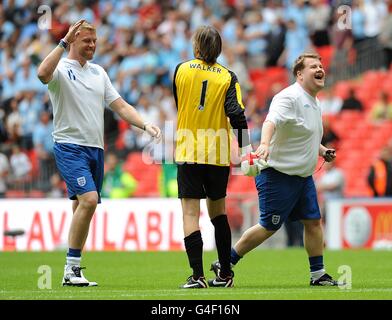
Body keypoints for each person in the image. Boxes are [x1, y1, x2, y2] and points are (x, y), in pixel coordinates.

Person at [37, 20, 161, 287]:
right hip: (70, 146)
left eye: (94, 41)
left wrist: (144, 124)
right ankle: (71, 269)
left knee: (80, 206)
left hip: (96, 149)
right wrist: (62, 42)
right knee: (90, 200)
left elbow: (120, 105)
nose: (92, 45)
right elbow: (42, 74)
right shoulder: (60, 68)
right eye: (86, 41)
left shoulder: (98, 73)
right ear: (73, 41)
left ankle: (73, 270)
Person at [211, 53, 341, 286]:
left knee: (313, 222)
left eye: (321, 65)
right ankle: (225, 262)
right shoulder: (288, 97)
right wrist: (263, 144)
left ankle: (318, 274)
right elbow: (271, 122)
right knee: (269, 225)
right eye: (313, 66)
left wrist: (322, 151)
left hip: (302, 176)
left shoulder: (314, 100)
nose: (320, 69)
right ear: (300, 74)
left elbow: (305, 134)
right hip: (277, 174)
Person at [173, 25, 251, 289]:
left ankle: (197, 277)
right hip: (217, 154)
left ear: (196, 47)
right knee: (218, 214)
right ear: (219, 50)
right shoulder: (228, 77)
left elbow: (180, 103)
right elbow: (237, 114)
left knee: (190, 215)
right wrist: (245, 150)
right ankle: (225, 274)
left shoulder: (181, 69)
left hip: (188, 151)